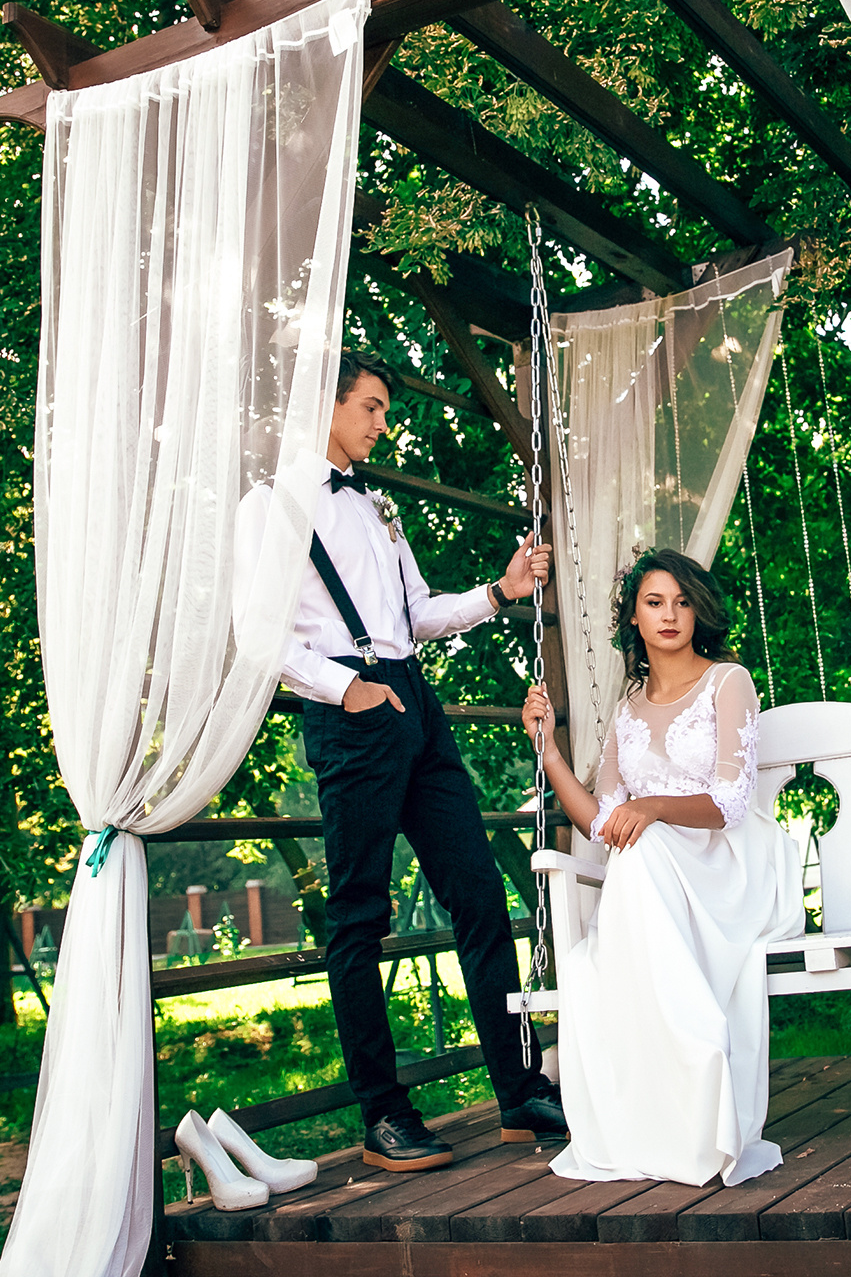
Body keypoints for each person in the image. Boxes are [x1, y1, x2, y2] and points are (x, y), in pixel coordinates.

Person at [275, 349, 568, 1172]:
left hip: (416, 706)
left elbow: (417, 615)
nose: (381, 421)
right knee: (359, 914)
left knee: (477, 892)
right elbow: (261, 637)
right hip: (353, 715)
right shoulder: (275, 505)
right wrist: (345, 691)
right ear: (326, 405)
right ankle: (383, 1113)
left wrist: (501, 591)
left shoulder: (375, 505)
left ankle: (518, 1089)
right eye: (369, 406)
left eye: (382, 408)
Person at [519, 547, 804, 1187]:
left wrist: (651, 808)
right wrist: (550, 751)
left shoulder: (729, 682)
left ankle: (700, 1059)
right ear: (635, 619)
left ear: (697, 611)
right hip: (657, 872)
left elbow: (729, 804)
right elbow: (603, 824)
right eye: (655, 602)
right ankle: (679, 1077)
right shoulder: (628, 707)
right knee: (636, 847)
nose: (670, 614)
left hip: (728, 864)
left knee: (641, 846)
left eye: (681, 601)